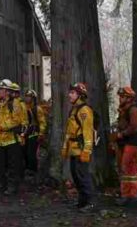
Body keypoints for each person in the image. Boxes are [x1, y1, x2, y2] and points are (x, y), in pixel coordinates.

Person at [61, 82, 95, 212]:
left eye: (72, 93)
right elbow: (69, 132)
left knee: (83, 177)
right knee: (76, 176)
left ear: (80, 95)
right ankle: (82, 201)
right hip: (73, 149)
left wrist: (87, 150)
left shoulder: (84, 111)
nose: (69, 95)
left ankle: (89, 203)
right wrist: (65, 147)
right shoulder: (74, 109)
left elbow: (88, 132)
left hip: (81, 150)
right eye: (70, 92)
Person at [0, 79, 27, 195]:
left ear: (7, 91)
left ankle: (12, 186)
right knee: (0, 164)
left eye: (1, 89)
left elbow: (16, 121)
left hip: (11, 140)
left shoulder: (15, 103)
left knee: (12, 165)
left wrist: (2, 127)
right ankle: (1, 184)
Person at [113, 86, 137, 206]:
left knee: (127, 168)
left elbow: (134, 127)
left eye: (123, 97)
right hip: (126, 142)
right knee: (133, 167)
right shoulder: (124, 109)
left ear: (129, 98)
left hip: (132, 142)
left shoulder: (133, 110)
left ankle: (129, 195)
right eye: (120, 96)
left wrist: (122, 133)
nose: (120, 98)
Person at [23, 89, 47, 178]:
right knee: (24, 151)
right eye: (26, 96)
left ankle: (33, 170)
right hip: (25, 133)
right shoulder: (24, 107)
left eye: (29, 96)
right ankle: (27, 168)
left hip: (34, 133)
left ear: (33, 98)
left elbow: (42, 122)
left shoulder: (37, 109)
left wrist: (41, 133)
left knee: (31, 153)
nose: (27, 98)